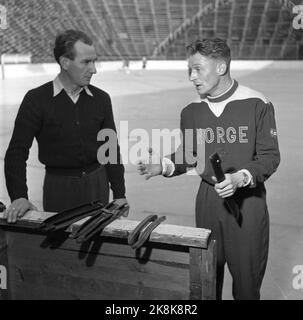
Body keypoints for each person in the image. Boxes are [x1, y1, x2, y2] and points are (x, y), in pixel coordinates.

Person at [137, 39, 280, 300]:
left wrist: (241, 177)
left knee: (247, 287)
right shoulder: (191, 111)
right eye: (189, 70)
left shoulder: (257, 103)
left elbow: (270, 157)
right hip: (208, 201)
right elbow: (190, 155)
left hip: (248, 203)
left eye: (198, 69)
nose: (191, 77)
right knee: (206, 281)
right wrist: (164, 165)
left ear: (221, 67)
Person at [4, 29, 129, 223]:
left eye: (94, 61)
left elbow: (111, 149)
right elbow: (16, 153)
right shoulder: (36, 100)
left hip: (98, 185)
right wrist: (19, 196)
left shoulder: (102, 99)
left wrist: (119, 193)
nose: (94, 69)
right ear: (65, 62)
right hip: (59, 189)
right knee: (60, 249)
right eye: (86, 62)